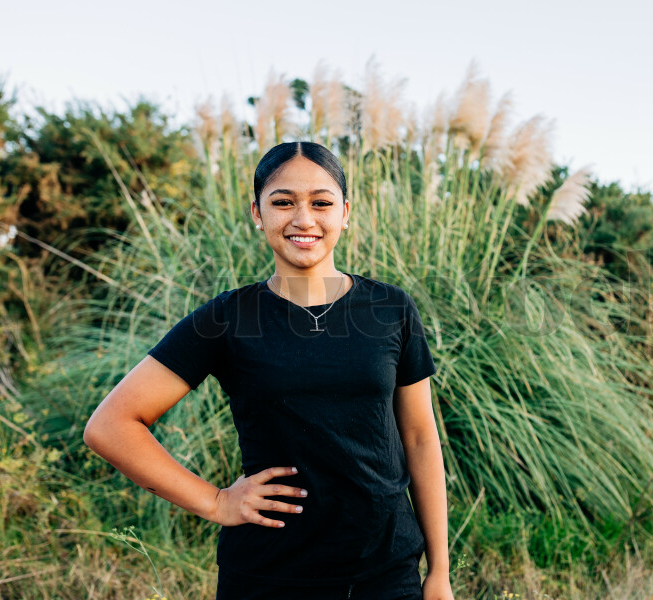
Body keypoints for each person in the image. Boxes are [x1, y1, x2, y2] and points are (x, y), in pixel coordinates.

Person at [83, 141, 454, 600]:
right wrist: (216, 501)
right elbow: (110, 426)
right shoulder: (228, 317)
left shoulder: (390, 308)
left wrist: (439, 570)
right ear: (257, 213)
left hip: (386, 572)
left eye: (322, 202)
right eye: (283, 202)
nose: (303, 219)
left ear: (345, 212)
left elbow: (419, 436)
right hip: (269, 575)